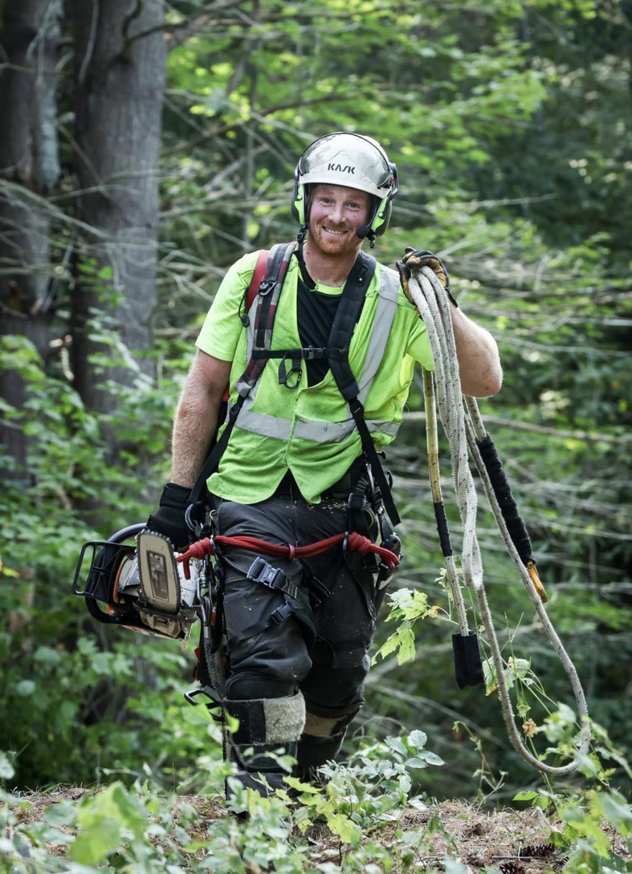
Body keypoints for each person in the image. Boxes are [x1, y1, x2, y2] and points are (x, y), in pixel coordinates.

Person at [148, 133, 502, 796]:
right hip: (245, 495)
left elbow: (483, 379)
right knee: (259, 658)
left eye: (354, 204)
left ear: (375, 214)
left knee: (338, 672)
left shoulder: (401, 299)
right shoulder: (254, 277)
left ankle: (308, 786)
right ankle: (261, 804)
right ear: (303, 200)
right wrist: (174, 501)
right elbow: (201, 391)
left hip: (342, 506)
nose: (337, 216)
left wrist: (441, 302)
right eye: (326, 200)